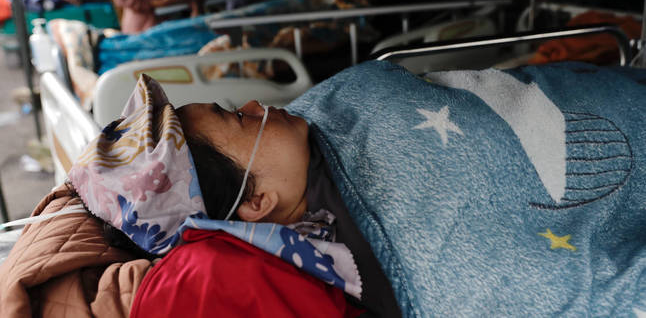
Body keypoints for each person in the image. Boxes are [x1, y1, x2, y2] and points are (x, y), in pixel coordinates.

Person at [2, 60, 646, 317]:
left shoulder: (313, 121)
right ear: (255, 206)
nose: (257, 103)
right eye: (236, 118)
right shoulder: (424, 269)